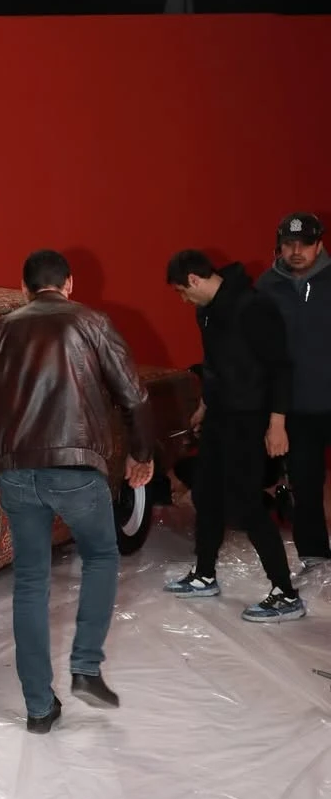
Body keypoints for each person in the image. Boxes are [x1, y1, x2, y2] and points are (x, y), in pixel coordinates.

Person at [0, 249, 153, 734]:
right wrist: (141, 454)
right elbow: (134, 396)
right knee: (102, 557)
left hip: (17, 472)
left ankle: (37, 707)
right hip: (76, 468)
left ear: (22, 287)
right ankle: (86, 666)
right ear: (69, 283)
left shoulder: (0, 332)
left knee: (30, 583)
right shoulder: (92, 322)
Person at [163, 250, 304, 621]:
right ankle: (204, 575)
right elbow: (214, 366)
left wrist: (277, 424)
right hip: (220, 416)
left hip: (251, 418)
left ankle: (286, 593)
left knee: (246, 503)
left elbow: (281, 369)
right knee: (207, 493)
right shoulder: (206, 311)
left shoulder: (254, 307)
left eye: (182, 292)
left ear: (194, 280)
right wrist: (204, 406)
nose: (183, 300)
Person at [256, 213, 331, 570]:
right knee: (305, 482)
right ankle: (315, 557)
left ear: (320, 244)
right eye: (289, 244)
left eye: (305, 244)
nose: (296, 251)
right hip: (295, 406)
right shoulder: (266, 287)